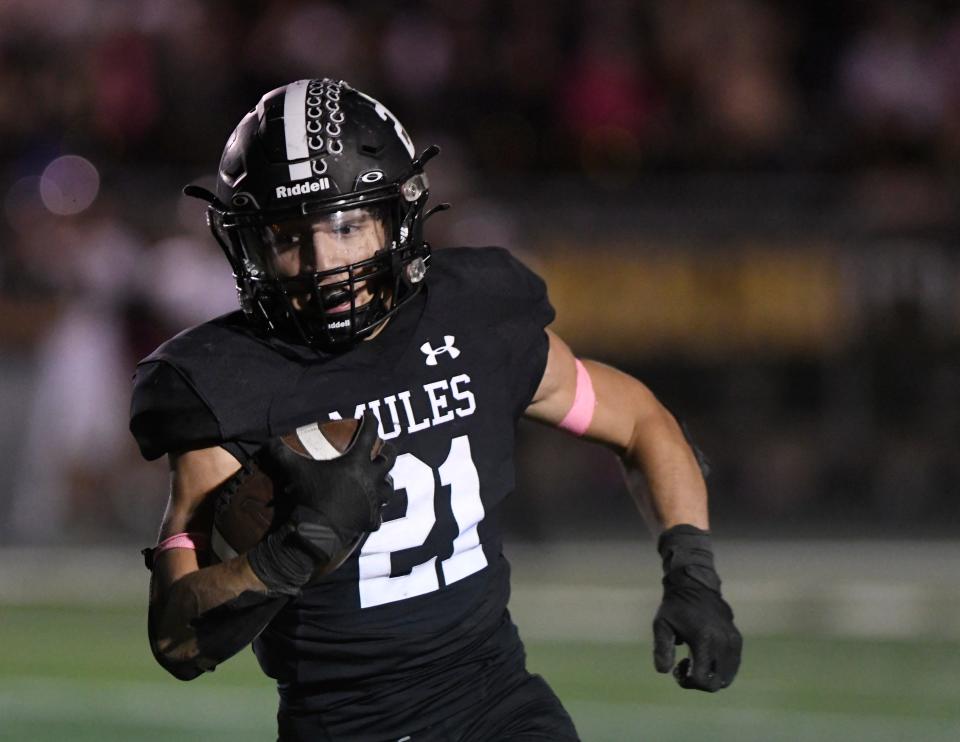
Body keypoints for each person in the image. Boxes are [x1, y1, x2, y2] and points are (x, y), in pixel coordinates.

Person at [130, 78, 742, 742]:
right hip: (349, 727)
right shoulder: (229, 383)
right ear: (248, 246)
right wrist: (284, 557)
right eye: (286, 236)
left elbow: (643, 423)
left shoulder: (472, 318)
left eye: (345, 223)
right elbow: (178, 639)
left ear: (396, 215)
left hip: (500, 704)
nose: (321, 262)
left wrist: (693, 572)